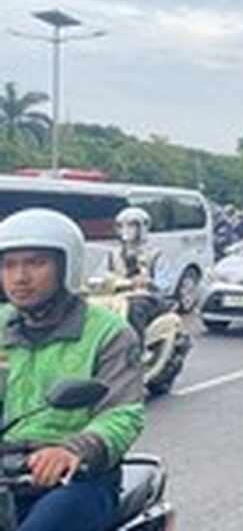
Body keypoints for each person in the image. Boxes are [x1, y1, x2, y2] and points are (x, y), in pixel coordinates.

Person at [0, 208, 145, 531]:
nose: (19, 277)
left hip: (77, 477)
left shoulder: (108, 332)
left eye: (36, 263)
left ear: (67, 266)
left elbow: (123, 414)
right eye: (8, 265)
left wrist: (72, 450)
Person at [102, 207, 171, 343]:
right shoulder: (113, 254)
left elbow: (166, 283)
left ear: (143, 227)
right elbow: (102, 275)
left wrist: (149, 282)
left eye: (132, 225)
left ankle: (136, 347)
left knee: (134, 310)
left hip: (147, 297)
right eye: (121, 225)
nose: (126, 229)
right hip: (118, 296)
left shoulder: (155, 253)